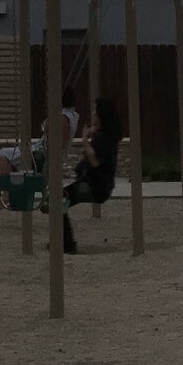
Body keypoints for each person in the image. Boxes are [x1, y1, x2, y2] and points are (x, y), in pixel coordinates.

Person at [43, 97, 122, 253]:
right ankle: (64, 242)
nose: (92, 113)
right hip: (99, 185)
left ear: (101, 115)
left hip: (94, 187)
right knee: (59, 199)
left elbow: (95, 161)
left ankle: (66, 244)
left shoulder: (103, 138)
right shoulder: (107, 135)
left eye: (95, 111)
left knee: (58, 200)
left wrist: (85, 138)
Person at [0, 87, 80, 209]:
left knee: (4, 154)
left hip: (43, 153)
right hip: (43, 150)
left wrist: (48, 127)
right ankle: (15, 191)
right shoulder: (73, 115)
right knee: (11, 157)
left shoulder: (64, 118)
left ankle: (6, 196)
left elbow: (58, 142)